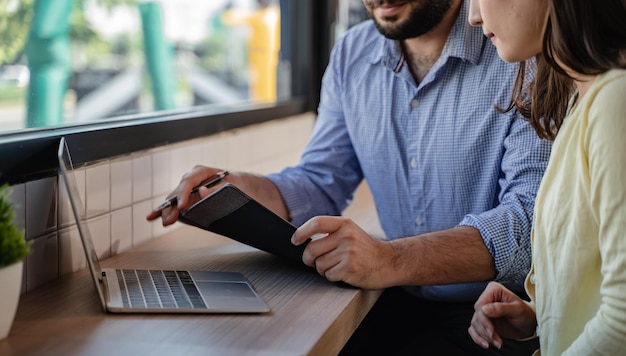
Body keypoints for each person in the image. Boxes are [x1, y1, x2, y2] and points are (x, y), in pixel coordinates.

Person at [148, 0, 552, 354]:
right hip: (399, 296)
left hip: (497, 313)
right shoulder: (352, 53)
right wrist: (237, 190)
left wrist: (390, 259)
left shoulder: (519, 46)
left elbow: (529, 224)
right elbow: (320, 180)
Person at [467, 0, 626, 354]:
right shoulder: (580, 102)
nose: (474, 16)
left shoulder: (614, 102)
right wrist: (539, 315)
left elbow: (623, 320)